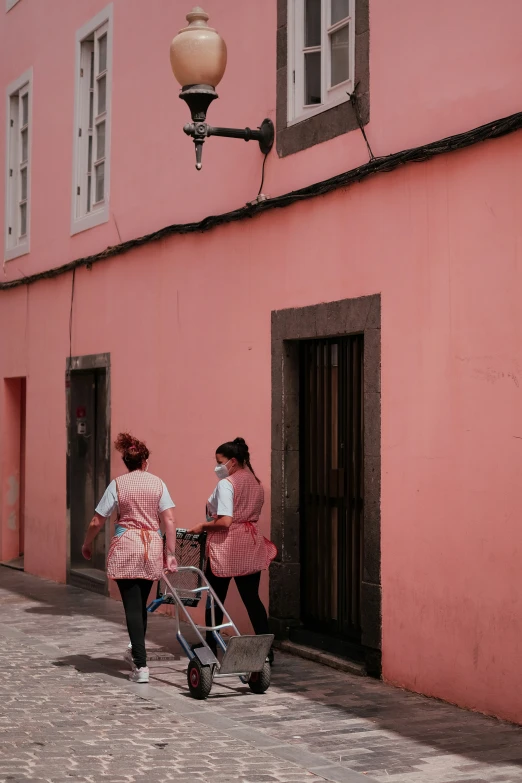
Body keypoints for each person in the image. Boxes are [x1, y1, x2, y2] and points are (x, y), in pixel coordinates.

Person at [82, 433, 177, 683]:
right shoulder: (159, 483)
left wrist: (86, 543)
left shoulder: (118, 484)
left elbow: (96, 520)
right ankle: (137, 654)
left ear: (127, 462)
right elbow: (169, 519)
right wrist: (170, 554)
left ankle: (141, 665)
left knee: (132, 607)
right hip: (151, 547)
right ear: (144, 461)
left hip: (127, 546)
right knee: (141, 604)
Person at [190, 437, 276, 662]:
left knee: (215, 599)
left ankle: (211, 644)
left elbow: (226, 521)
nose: (217, 466)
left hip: (226, 547)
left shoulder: (227, 484)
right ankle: (267, 648)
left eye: (220, 462)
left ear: (234, 462)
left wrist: (203, 526)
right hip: (250, 544)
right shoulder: (255, 482)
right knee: (252, 599)